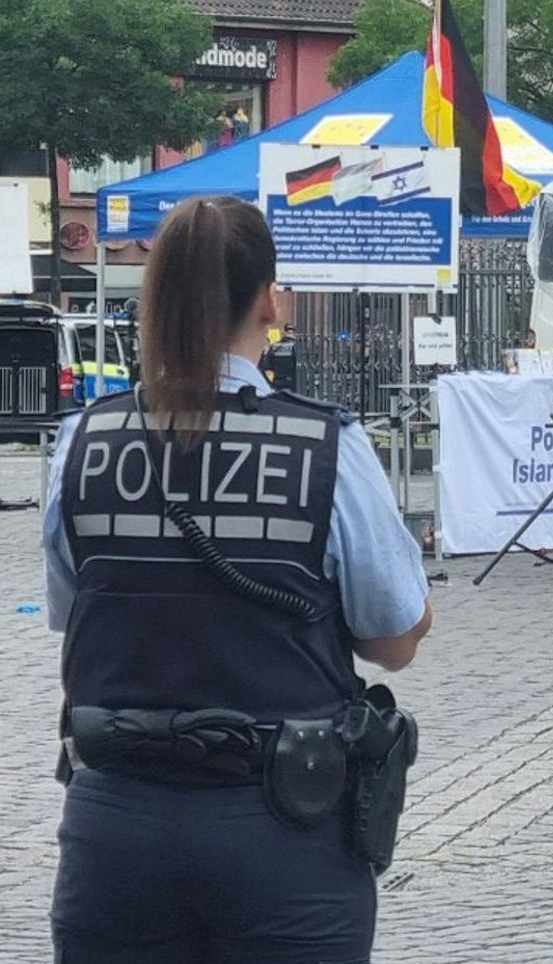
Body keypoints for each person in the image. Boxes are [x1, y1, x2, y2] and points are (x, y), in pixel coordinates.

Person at [43, 195, 433, 963]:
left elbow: (75, 611)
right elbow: (394, 640)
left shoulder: (82, 443)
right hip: (284, 832)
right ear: (269, 299)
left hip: (115, 830)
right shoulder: (328, 445)